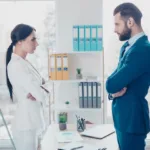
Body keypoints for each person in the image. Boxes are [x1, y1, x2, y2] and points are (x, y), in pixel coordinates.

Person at [106, 3, 150, 150]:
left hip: (133, 121)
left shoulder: (142, 49)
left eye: (117, 24)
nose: (114, 29)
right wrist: (113, 92)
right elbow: (115, 82)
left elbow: (111, 84)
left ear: (130, 22)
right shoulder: (127, 47)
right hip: (123, 120)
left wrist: (112, 88)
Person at [6, 24, 48, 150]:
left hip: (34, 123)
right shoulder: (16, 65)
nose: (37, 44)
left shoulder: (25, 63)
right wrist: (42, 89)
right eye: (33, 39)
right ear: (20, 41)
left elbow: (42, 87)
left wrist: (41, 88)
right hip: (26, 125)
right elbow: (40, 94)